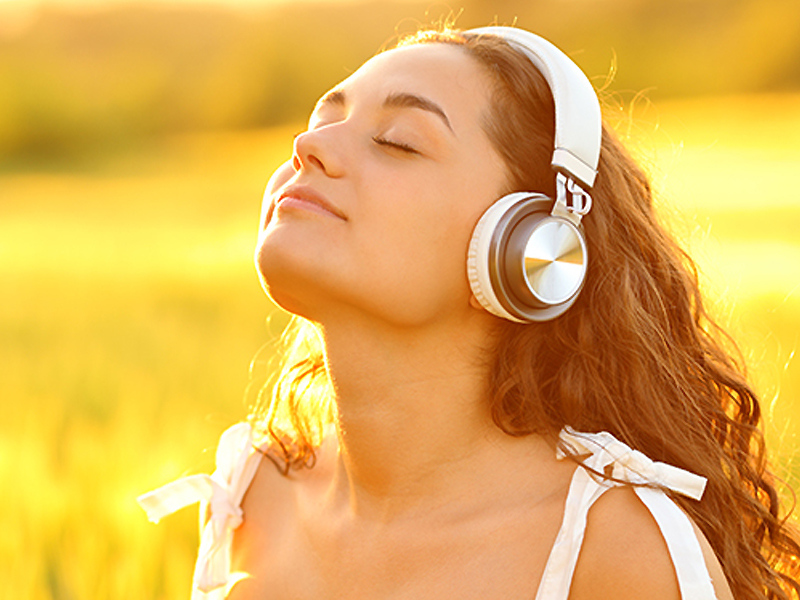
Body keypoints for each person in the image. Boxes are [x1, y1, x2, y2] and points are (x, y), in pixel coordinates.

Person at [138, 25, 800, 599]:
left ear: (532, 250)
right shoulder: (255, 492)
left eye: (397, 142)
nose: (307, 149)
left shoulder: (616, 553)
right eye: (320, 123)